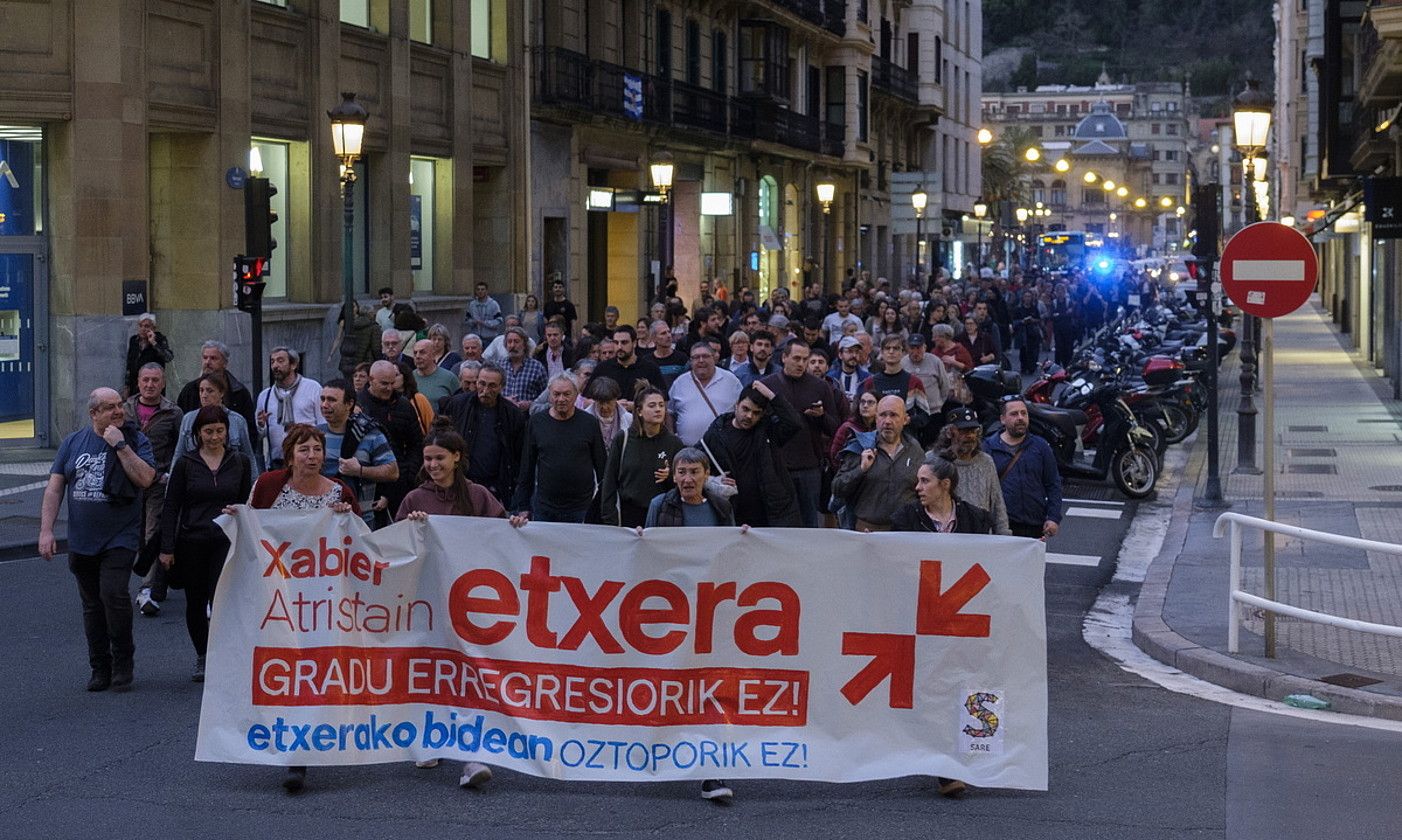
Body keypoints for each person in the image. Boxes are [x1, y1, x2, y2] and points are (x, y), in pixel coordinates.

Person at [242, 424, 359, 794]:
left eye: (317, 450)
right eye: (304, 450)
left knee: (314, 669)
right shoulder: (269, 485)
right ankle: (292, 747)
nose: (312, 457)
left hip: (324, 601)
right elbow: (250, 527)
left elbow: (362, 545)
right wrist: (235, 517)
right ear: (290, 454)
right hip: (279, 597)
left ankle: (302, 750)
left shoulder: (340, 492)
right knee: (285, 666)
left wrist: (347, 518)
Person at [393, 420, 504, 790]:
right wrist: (412, 528)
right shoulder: (414, 499)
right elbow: (396, 549)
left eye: (440, 458)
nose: (433, 465)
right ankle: (430, 738)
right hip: (427, 599)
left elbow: (503, 535)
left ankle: (472, 757)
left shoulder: (478, 495)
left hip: (471, 601)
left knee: (469, 673)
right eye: (427, 459)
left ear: (457, 457)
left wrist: (517, 524)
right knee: (431, 670)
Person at [40, 388, 157, 692]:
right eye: (109, 408)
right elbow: (54, 489)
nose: (118, 411)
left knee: (114, 596)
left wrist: (121, 447)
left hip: (120, 537)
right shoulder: (72, 443)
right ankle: (100, 666)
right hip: (81, 540)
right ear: (93, 414)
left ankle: (122, 661)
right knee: (92, 605)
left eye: (120, 405)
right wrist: (46, 530)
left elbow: (146, 479)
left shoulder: (135, 439)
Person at [157, 405, 253, 682]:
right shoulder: (186, 464)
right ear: (198, 433)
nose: (214, 437)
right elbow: (171, 506)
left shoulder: (240, 462)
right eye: (208, 431)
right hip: (192, 541)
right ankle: (203, 655)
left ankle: (225, 654)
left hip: (226, 542)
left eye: (219, 431)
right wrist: (167, 548)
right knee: (195, 602)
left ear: (227, 432)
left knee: (222, 600)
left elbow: (247, 502)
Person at [760, 340, 839, 528]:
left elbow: (834, 427)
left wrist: (820, 417)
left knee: (809, 524)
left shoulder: (820, 387)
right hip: (777, 467)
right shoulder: (767, 386)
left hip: (809, 468)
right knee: (777, 523)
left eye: (805, 359)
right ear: (784, 358)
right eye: (796, 358)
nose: (801, 364)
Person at [700, 381, 802, 527]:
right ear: (736, 405)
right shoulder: (716, 433)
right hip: (735, 509)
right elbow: (694, 460)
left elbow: (794, 423)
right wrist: (712, 480)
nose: (749, 416)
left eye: (756, 413)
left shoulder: (767, 430)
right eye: (745, 409)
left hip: (771, 508)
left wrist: (771, 395)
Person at [124, 364, 182, 617]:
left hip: (159, 482)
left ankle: (148, 587)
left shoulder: (173, 412)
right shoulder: (123, 409)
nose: (150, 385)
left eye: (155, 380)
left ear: (163, 383)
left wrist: (172, 476)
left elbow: (181, 447)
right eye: (145, 380)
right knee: (132, 536)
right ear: (138, 382)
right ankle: (154, 581)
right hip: (129, 482)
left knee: (152, 535)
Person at [511, 374, 608, 523]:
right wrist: (523, 506)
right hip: (545, 506)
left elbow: (602, 466)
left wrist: (605, 503)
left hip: (582, 507)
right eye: (556, 394)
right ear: (549, 394)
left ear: (576, 395)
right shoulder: (536, 422)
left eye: (566, 394)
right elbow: (527, 468)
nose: (561, 399)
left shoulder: (589, 423)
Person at [831, 396, 922, 531]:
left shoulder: (915, 450)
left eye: (893, 415)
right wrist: (861, 470)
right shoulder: (860, 447)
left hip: (905, 533)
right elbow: (837, 488)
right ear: (876, 418)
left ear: (905, 419)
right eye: (882, 415)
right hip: (867, 531)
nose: (887, 421)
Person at [318, 379, 399, 526]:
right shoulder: (316, 434)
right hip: (323, 520)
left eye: (331, 400)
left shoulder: (370, 434)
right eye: (322, 399)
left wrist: (360, 470)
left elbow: (393, 471)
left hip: (361, 521)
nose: (324, 405)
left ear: (349, 404)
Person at [601, 386, 682, 527]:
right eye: (652, 405)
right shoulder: (623, 438)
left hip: (662, 514)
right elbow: (609, 480)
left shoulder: (673, 442)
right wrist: (610, 517)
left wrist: (670, 477)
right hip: (628, 514)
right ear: (639, 411)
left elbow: (682, 483)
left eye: (661, 405)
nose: (658, 409)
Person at [984, 397, 1062, 540]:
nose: (1020, 418)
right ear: (1002, 419)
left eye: (1023, 413)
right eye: (1014, 414)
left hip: (1034, 525)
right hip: (1001, 526)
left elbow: (1053, 484)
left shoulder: (1041, 447)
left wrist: (1053, 517)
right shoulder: (988, 448)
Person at [358, 360, 425, 524]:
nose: (389, 388)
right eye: (383, 383)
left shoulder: (404, 406)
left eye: (391, 383)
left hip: (399, 481)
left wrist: (408, 475)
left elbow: (416, 445)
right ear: (371, 380)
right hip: (365, 482)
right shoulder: (359, 405)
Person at [939, 407, 1012, 535]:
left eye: (973, 430)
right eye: (963, 431)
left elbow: (997, 504)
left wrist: (1004, 537)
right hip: (947, 539)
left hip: (981, 539)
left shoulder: (986, 462)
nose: (970, 436)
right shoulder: (934, 460)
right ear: (950, 432)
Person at [170, 373, 260, 470]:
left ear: (221, 393)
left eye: (210, 391)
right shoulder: (188, 419)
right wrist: (172, 482)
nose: (204, 395)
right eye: (201, 390)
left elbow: (249, 456)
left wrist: (253, 483)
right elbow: (179, 454)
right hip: (195, 475)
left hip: (229, 475)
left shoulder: (237, 421)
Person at [255, 347, 322, 470]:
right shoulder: (265, 395)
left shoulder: (312, 388)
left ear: (293, 365)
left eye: (280, 361)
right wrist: (261, 425)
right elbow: (260, 435)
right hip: (277, 462)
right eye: (272, 361)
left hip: (306, 460)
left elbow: (322, 424)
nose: (275, 366)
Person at [176, 340, 258, 438]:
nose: (207, 362)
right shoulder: (189, 391)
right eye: (205, 358)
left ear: (225, 363)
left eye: (213, 358)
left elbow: (250, 432)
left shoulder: (239, 392)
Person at [669, 339, 742, 445]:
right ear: (691, 361)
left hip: (724, 450)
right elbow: (670, 413)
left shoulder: (731, 380)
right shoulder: (680, 383)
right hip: (688, 452)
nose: (701, 360)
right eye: (696, 357)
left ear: (714, 358)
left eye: (705, 356)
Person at [594, 326, 664, 411]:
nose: (619, 347)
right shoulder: (602, 368)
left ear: (634, 343)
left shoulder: (650, 369)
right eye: (616, 343)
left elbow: (663, 401)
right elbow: (586, 400)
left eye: (624, 342)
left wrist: (637, 406)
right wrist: (612, 404)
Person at [123, 313, 173, 397]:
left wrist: (154, 343)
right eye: (140, 326)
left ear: (153, 328)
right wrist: (126, 386)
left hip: (153, 384)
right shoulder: (134, 340)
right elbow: (129, 363)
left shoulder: (160, 339)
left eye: (146, 326)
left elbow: (168, 357)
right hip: (135, 383)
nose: (143, 329)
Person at [500, 326, 548, 409]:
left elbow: (546, 398)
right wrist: (503, 400)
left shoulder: (537, 368)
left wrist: (531, 404)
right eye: (509, 342)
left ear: (525, 344)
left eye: (516, 342)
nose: (512, 345)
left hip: (527, 417)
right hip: (504, 416)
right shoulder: (499, 366)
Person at [901, 333, 949, 409]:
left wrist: (938, 403)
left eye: (918, 348)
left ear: (925, 347)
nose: (915, 352)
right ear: (907, 348)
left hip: (933, 410)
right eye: (912, 348)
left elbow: (945, 386)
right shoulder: (902, 362)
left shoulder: (935, 361)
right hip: (909, 410)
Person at [584, 376, 632, 448]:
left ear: (616, 399)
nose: (605, 407)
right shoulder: (584, 419)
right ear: (595, 400)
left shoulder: (629, 419)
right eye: (601, 403)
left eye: (609, 402)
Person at [411, 339, 460, 406]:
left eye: (422, 352)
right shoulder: (409, 378)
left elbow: (459, 404)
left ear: (433, 355)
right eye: (415, 353)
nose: (417, 356)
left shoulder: (449, 378)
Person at [827, 335, 871, 401]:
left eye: (857, 352)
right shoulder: (830, 378)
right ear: (840, 355)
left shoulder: (867, 378)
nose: (854, 355)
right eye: (850, 351)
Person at [649, 320, 687, 391]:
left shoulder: (682, 359)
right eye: (663, 333)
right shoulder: (647, 361)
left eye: (669, 332)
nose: (668, 336)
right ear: (654, 338)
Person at [1013, 289, 1044, 375]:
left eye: (1029, 296)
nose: (1027, 298)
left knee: (1033, 350)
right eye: (1026, 296)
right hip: (1023, 332)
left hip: (1033, 332)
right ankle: (1024, 366)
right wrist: (1022, 321)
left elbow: (1039, 319)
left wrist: (1033, 320)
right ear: (1023, 298)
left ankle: (1032, 366)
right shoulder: (1018, 309)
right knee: (1023, 351)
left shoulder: (1034, 309)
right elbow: (1015, 321)